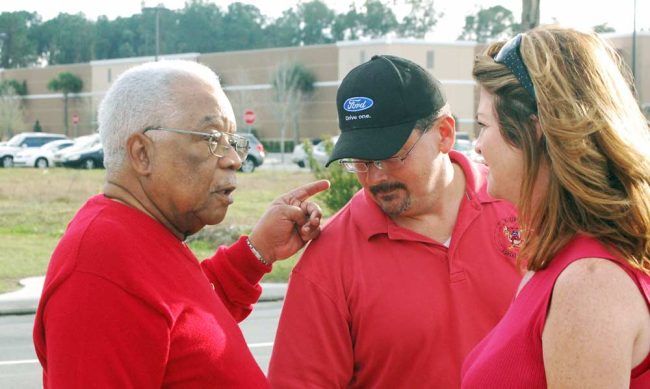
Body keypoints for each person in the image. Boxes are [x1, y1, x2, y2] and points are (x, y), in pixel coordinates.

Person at [32, 60, 329, 388]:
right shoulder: (98, 269)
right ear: (142, 153)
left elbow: (189, 327)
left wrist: (257, 252)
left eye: (232, 140)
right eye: (211, 138)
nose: (234, 158)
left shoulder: (143, 234)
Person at [268, 55, 524, 388]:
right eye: (360, 161)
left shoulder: (524, 209)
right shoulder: (329, 260)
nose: (374, 177)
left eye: (390, 156)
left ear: (445, 134)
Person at [461, 26, 650, 388]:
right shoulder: (560, 259)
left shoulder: (590, 284)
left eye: (484, 125)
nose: (479, 147)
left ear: (535, 130)